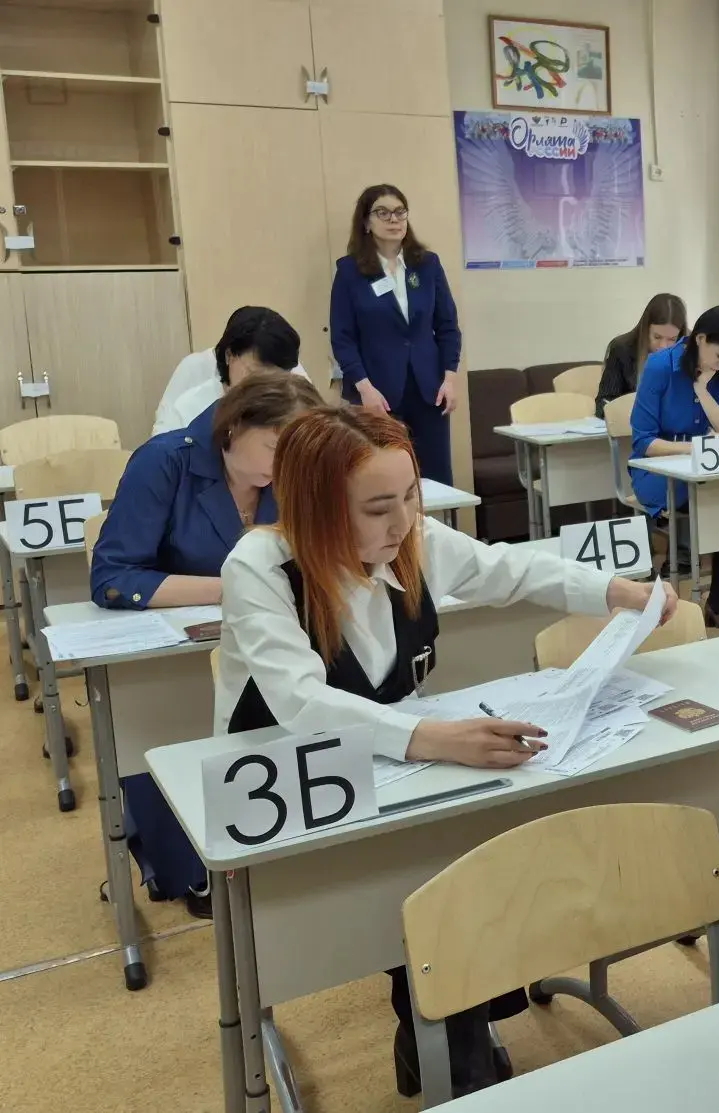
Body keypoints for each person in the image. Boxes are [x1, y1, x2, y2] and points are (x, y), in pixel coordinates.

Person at [217, 405, 676, 1096]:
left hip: (396, 761)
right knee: (413, 893)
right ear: (316, 507)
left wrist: (615, 590)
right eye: (378, 508)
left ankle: (444, 1029)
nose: (403, 522)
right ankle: (442, 1032)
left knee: (461, 871)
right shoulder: (259, 567)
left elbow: (507, 569)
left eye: (410, 496)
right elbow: (300, 700)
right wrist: (438, 738)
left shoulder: (411, 539)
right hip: (291, 776)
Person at [89, 373, 324, 918]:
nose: (285, 464)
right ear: (234, 427)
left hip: (270, 644)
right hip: (173, 654)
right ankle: (177, 859)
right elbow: (113, 578)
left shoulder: (293, 471)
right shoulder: (164, 462)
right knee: (169, 749)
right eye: (274, 447)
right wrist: (236, 586)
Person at [629, 304, 719, 630]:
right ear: (700, 339)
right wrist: (696, 448)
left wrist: (702, 391)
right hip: (658, 472)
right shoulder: (661, 366)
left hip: (709, 471)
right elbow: (643, 442)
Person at [330, 183, 463, 485]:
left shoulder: (427, 265)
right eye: (383, 212)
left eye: (400, 212)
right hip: (376, 394)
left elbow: (447, 326)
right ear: (366, 222)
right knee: (385, 478)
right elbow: (342, 338)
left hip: (429, 390)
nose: (394, 219)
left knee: (435, 477)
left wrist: (449, 379)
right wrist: (364, 389)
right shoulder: (350, 271)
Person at [151, 306, 308, 435]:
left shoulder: (296, 390)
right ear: (229, 356)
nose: (266, 387)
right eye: (255, 374)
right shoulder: (191, 408)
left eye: (276, 378)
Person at [596, 293, 688, 415]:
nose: (663, 346)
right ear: (645, 330)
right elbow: (603, 403)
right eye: (657, 337)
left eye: (672, 339)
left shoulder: (689, 350)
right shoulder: (621, 349)